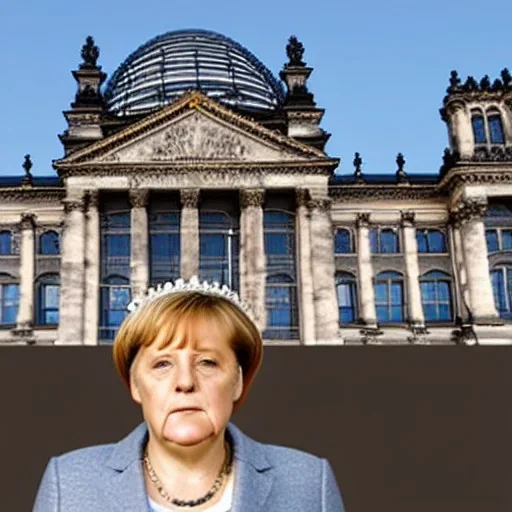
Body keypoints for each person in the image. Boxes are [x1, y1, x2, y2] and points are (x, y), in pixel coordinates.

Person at [33, 276, 345, 511]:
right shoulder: (69, 483)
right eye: (162, 364)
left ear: (237, 380)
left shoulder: (308, 483)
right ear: (134, 384)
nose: (185, 382)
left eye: (207, 362)